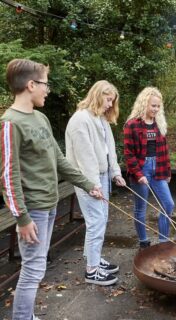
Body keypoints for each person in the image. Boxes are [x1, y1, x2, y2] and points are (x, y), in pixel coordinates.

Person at [1, 58, 102, 320]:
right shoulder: (10, 122)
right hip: (31, 211)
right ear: (31, 85)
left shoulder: (41, 118)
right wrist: (22, 218)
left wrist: (88, 185)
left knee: (37, 267)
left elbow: (59, 161)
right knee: (33, 268)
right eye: (45, 83)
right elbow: (8, 177)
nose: (48, 89)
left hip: (48, 205)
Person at [65, 80, 126, 286]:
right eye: (108, 100)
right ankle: (91, 270)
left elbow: (109, 148)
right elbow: (85, 157)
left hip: (102, 176)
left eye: (112, 101)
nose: (110, 105)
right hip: (86, 179)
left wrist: (115, 172)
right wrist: (93, 185)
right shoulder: (80, 119)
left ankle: (94, 259)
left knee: (102, 218)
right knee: (95, 221)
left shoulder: (100, 118)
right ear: (98, 95)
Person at [124, 87, 174, 248]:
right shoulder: (131, 125)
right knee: (141, 208)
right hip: (141, 169)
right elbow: (129, 153)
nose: (156, 109)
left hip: (158, 168)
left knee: (168, 204)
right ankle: (144, 242)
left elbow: (164, 150)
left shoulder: (159, 124)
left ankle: (163, 241)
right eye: (153, 105)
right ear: (144, 103)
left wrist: (167, 171)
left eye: (158, 106)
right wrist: (139, 174)